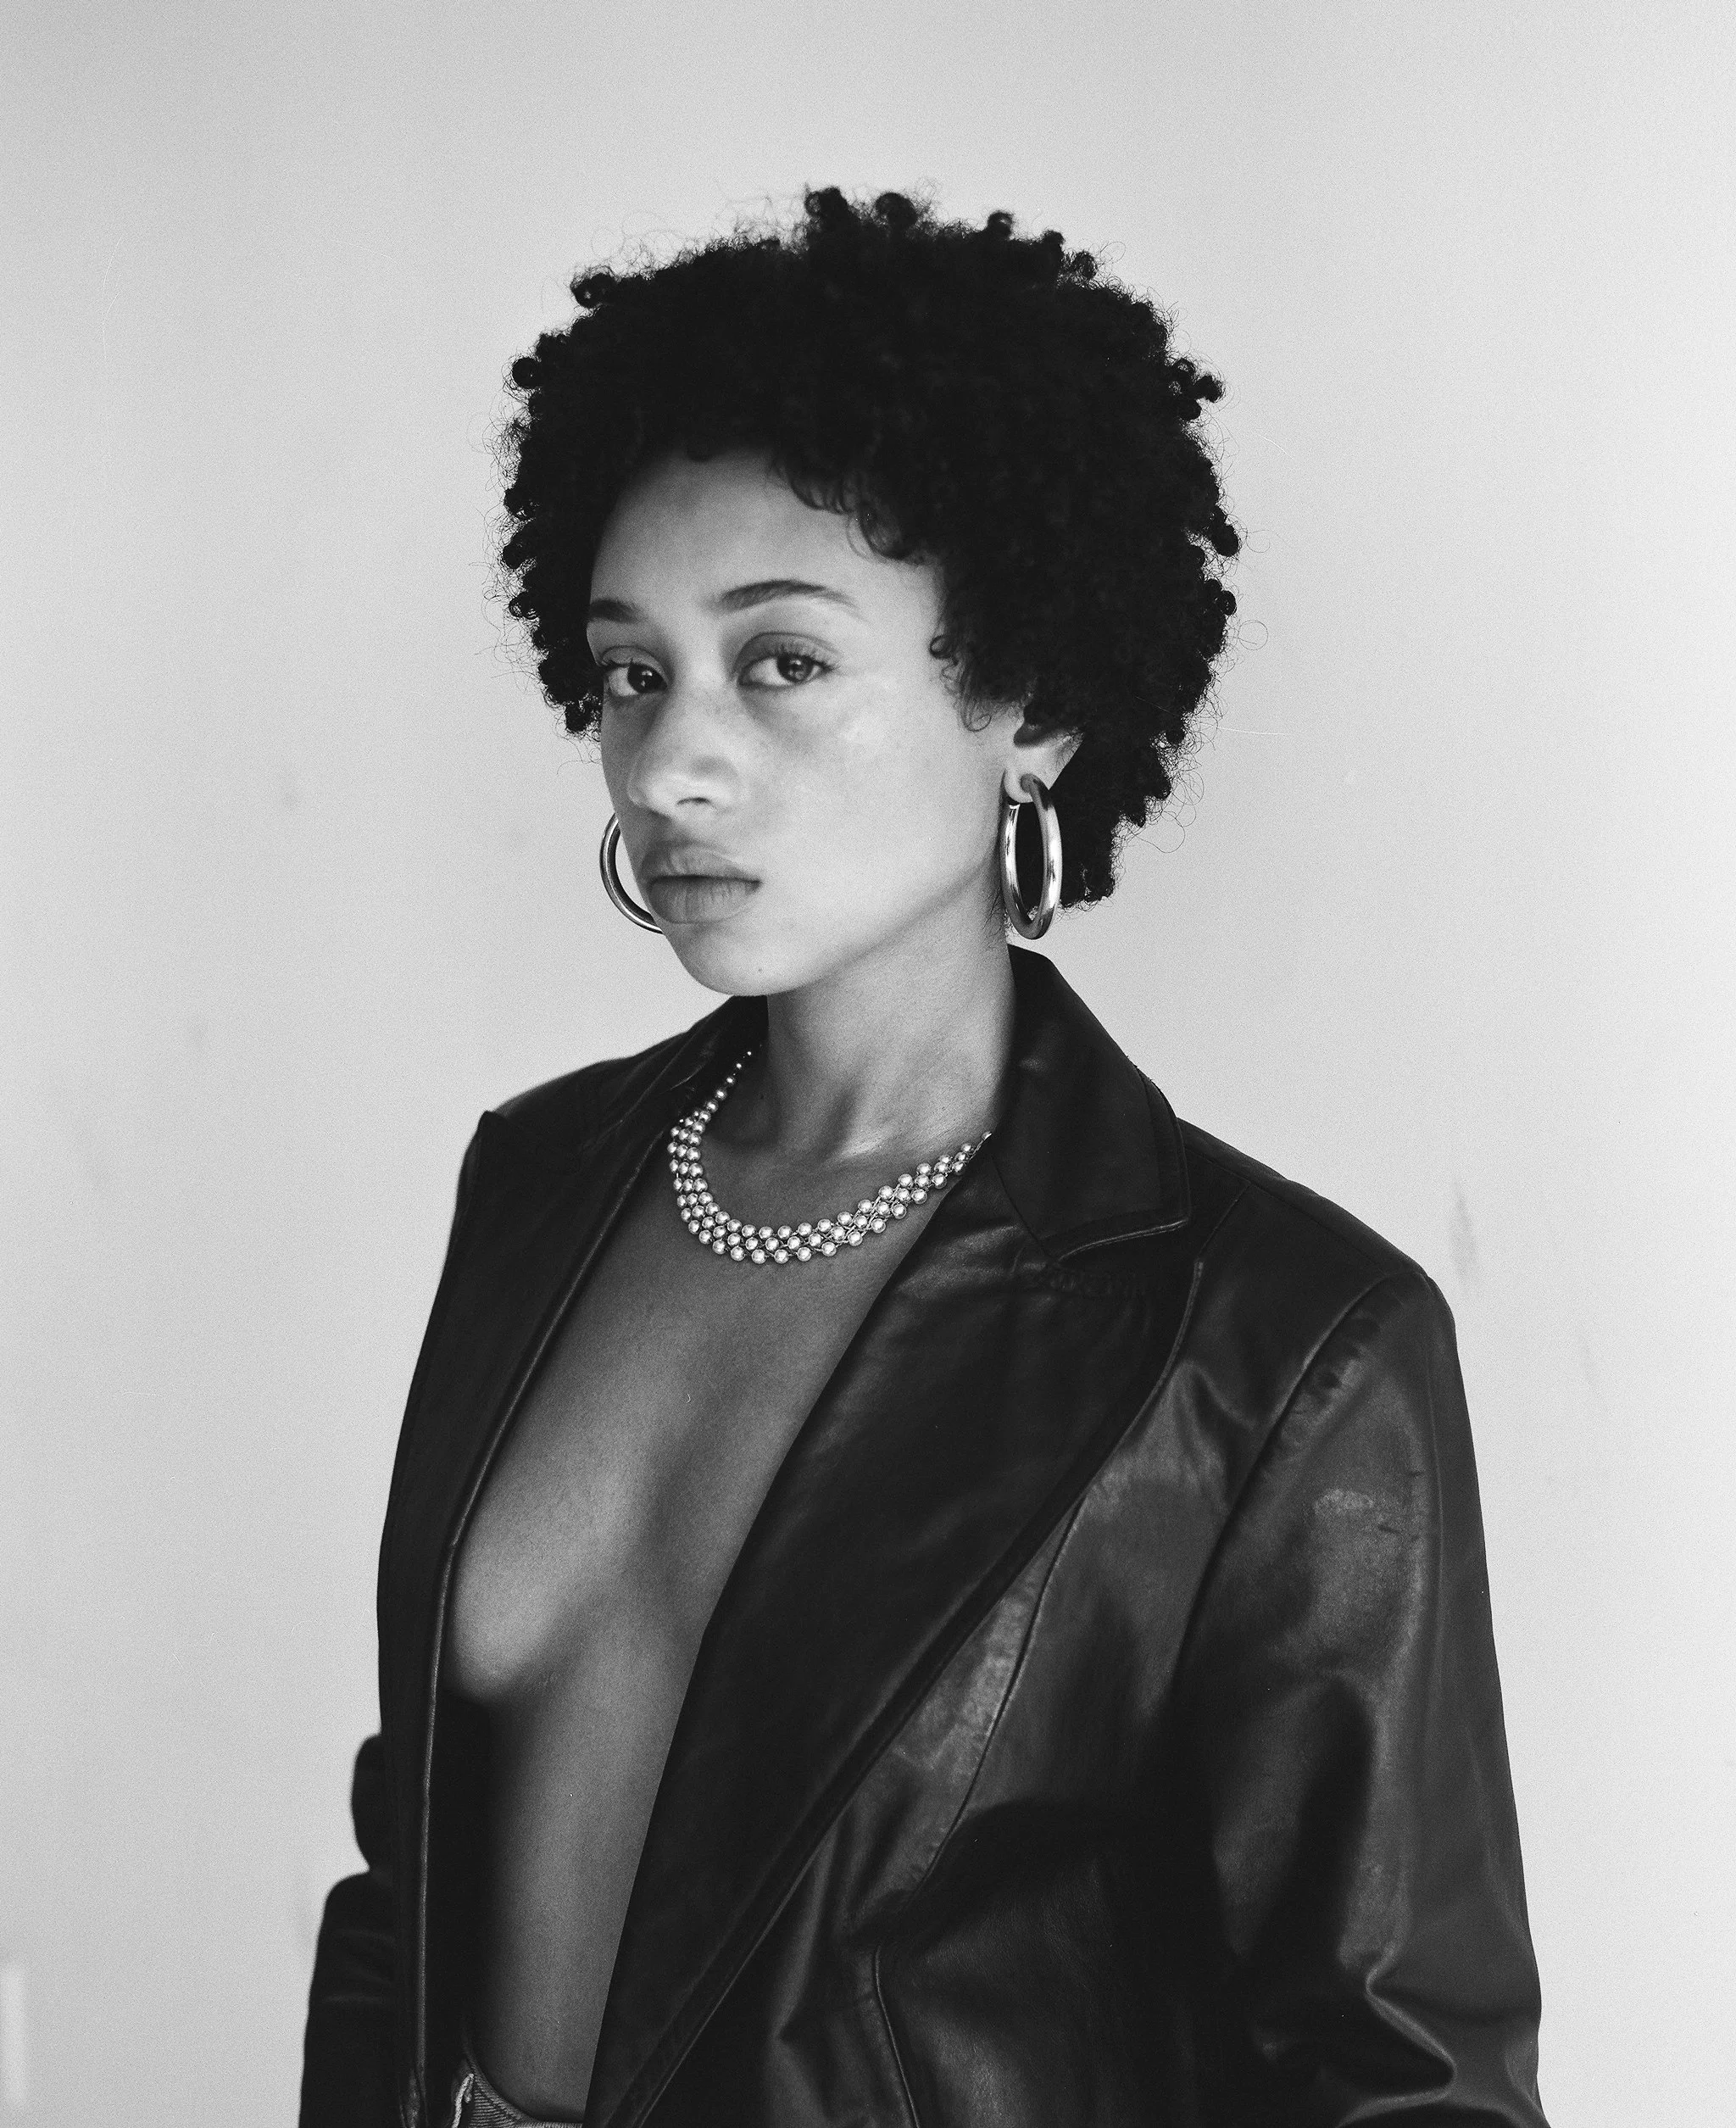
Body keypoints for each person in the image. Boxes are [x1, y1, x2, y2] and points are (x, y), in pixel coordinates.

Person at [300, 188, 1548, 2128]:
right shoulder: (540, 1183)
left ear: (1029, 703)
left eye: (780, 662)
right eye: (632, 672)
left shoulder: (1274, 1353)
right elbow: (411, 1876)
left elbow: (1396, 2083)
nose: (670, 761)